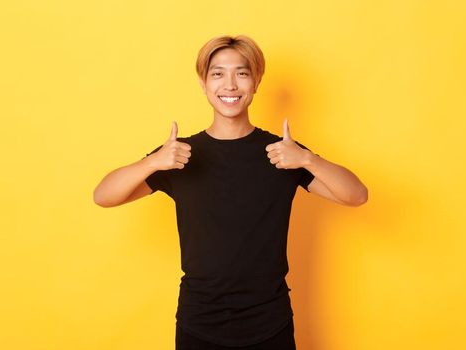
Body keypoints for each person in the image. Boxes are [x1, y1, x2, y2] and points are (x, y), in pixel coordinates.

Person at [92, 35, 368, 349]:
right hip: (199, 322)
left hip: (270, 321)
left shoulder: (282, 153)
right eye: (218, 74)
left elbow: (356, 195)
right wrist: (154, 161)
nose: (230, 85)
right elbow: (104, 195)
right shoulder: (180, 154)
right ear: (203, 83)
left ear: (256, 82)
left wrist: (306, 158)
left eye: (242, 73)